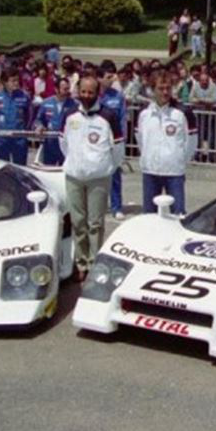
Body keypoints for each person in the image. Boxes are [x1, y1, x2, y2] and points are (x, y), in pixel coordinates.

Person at [59, 76, 124, 281]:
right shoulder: (69, 114)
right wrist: (76, 162)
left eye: (91, 92)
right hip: (74, 176)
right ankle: (81, 262)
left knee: (95, 223)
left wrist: (105, 167)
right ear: (78, 91)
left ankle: (95, 262)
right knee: (78, 222)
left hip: (98, 177)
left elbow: (119, 150)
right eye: (83, 92)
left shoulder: (108, 116)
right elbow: (64, 144)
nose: (86, 96)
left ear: (98, 93)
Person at [137, 71, 194, 214]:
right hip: (150, 171)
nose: (165, 92)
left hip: (174, 172)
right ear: (152, 90)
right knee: (149, 215)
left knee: (178, 214)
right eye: (160, 88)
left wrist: (180, 160)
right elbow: (140, 140)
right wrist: (147, 158)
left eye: (168, 88)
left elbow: (191, 143)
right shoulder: (144, 113)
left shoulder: (183, 112)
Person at [98, 70, 129, 219]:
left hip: (114, 140)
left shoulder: (117, 96)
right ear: (99, 78)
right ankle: (98, 205)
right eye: (108, 77)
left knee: (115, 173)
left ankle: (116, 206)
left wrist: (121, 138)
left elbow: (123, 118)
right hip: (97, 142)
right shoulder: (93, 95)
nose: (112, 79)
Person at [0, 67, 33, 165]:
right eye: (13, 81)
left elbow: (29, 116)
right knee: (2, 167)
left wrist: (25, 131)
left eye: (17, 80)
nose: (16, 83)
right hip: (2, 138)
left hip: (19, 138)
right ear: (4, 82)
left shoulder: (25, 96)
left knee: (20, 168)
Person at [33, 76, 77, 166]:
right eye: (64, 89)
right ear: (56, 89)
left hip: (66, 145)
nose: (67, 91)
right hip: (50, 144)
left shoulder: (74, 104)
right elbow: (38, 120)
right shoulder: (46, 103)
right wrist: (39, 126)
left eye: (68, 88)